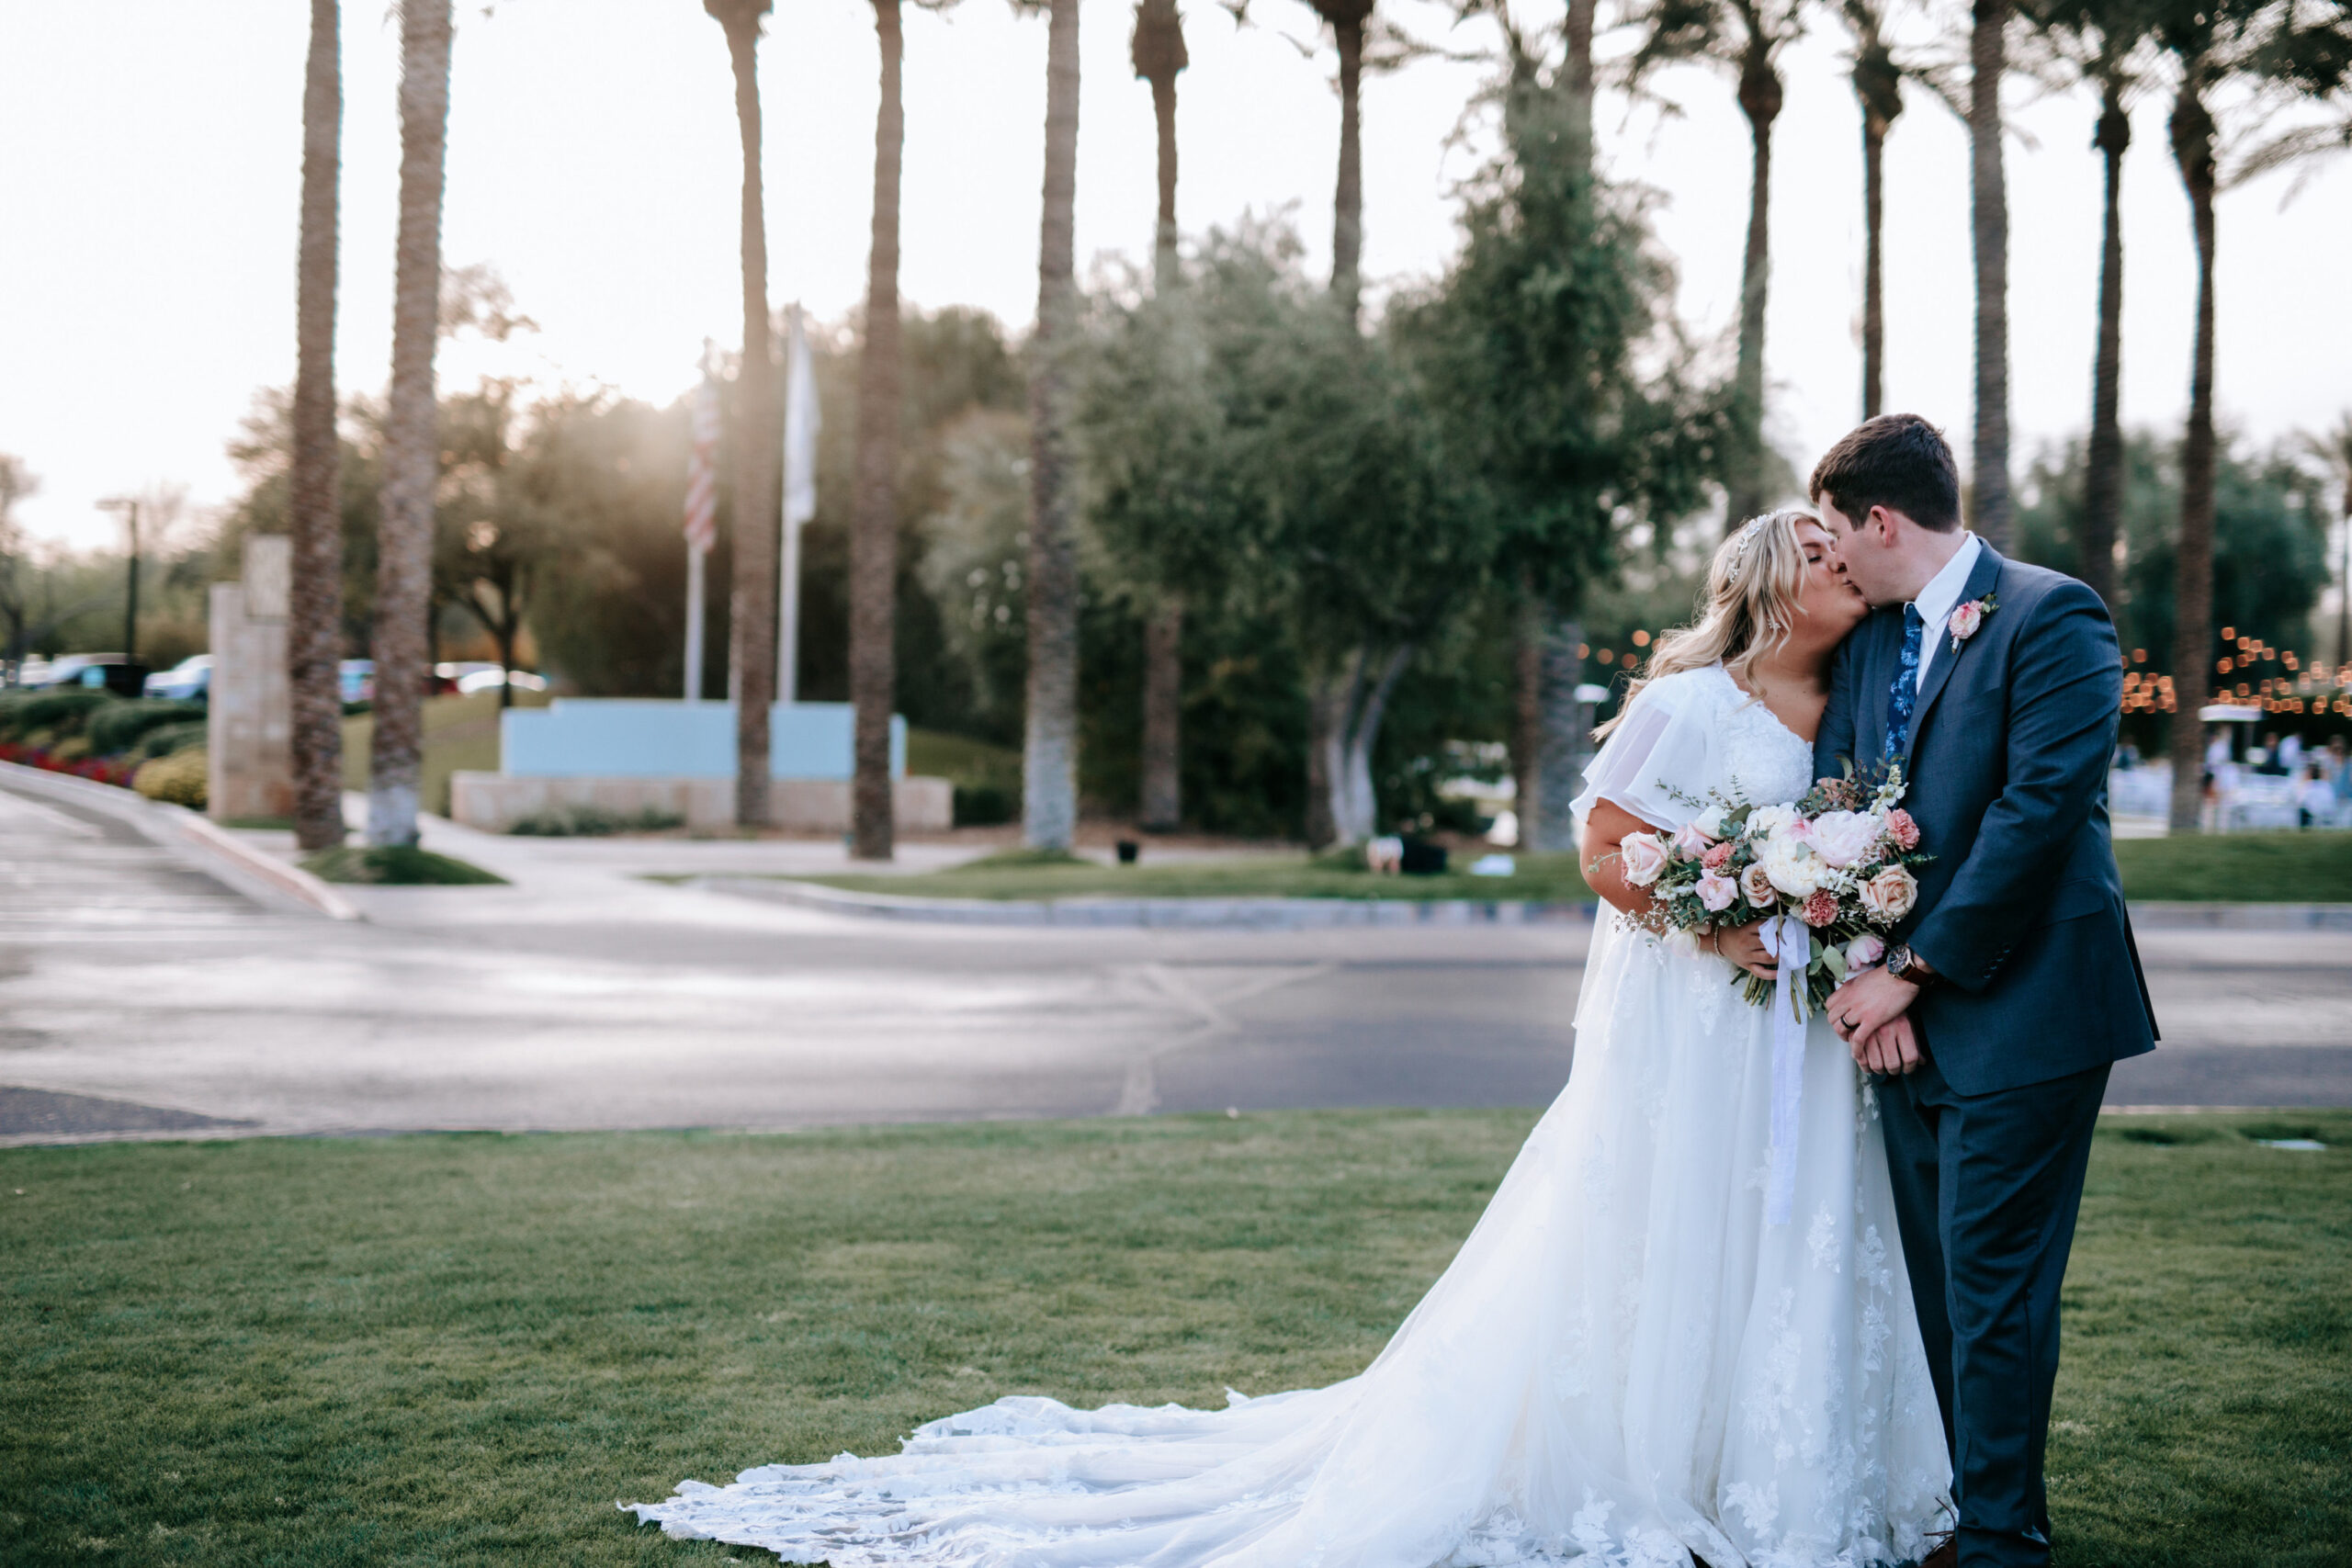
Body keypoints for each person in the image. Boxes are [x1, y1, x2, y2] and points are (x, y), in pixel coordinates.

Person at [628, 511, 1954, 1567]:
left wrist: (1822, 911)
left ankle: (1771, 1463)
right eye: (1823, 553)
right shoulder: (1691, 704)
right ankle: (1653, 1460)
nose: (1848, 566)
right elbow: (1604, 849)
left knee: (1783, 1219)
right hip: (1698, 1017)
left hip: (1791, 1028)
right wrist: (1711, 924)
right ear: (1772, 583)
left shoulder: (1856, 704)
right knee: (1670, 1219)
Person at [1807, 414, 2159, 1568]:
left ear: (1880, 521)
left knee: (1993, 1285)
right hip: (1899, 1018)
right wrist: (1867, 978)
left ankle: (2003, 1539)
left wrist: (1910, 976)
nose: (1830, 557)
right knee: (1935, 1284)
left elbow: (2036, 815)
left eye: (1833, 533)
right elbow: (1836, 809)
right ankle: (1967, 1513)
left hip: (2031, 1007)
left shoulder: (2054, 617)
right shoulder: (1870, 642)